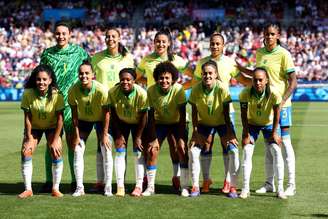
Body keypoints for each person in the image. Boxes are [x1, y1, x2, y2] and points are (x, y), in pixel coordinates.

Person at [237, 23, 297, 196]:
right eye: (266, 34)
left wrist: (283, 100)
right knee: (268, 144)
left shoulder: (284, 54)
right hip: (264, 104)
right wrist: (242, 69)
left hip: (280, 105)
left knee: (284, 143)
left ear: (277, 35)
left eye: (272, 34)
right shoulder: (260, 53)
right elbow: (259, 75)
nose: (269, 37)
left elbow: (293, 81)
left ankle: (291, 184)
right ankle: (269, 183)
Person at [193, 32, 251, 194]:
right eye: (212, 43)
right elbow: (196, 84)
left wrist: (259, 81)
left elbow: (243, 80)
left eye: (218, 43)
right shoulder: (201, 63)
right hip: (206, 111)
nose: (215, 46)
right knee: (206, 145)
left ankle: (227, 181)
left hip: (225, 111)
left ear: (223, 45)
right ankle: (206, 180)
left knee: (227, 146)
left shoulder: (229, 63)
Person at [136, 28, 193, 191]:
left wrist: (180, 88)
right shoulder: (146, 60)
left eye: (163, 41)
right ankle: (147, 181)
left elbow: (194, 77)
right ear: (154, 43)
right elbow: (136, 77)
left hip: (174, 111)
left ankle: (177, 178)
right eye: (157, 41)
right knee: (150, 147)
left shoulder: (178, 60)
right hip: (155, 109)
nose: (160, 44)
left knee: (177, 147)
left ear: (169, 43)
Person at [40, 20, 89, 192]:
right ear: (54, 35)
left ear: (70, 35)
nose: (61, 36)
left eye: (64, 33)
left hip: (72, 104)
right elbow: (42, 76)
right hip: (52, 104)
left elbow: (88, 73)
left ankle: (76, 181)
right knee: (51, 142)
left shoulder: (80, 52)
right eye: (58, 33)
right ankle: (50, 181)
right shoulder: (47, 54)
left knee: (73, 142)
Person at [91, 27, 134, 192]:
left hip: (122, 107)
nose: (110, 39)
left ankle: (120, 182)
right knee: (101, 144)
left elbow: (131, 80)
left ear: (119, 38)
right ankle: (100, 181)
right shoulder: (97, 58)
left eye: (113, 36)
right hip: (103, 107)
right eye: (107, 36)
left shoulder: (127, 57)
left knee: (121, 143)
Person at [188, 60, 239, 198]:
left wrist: (230, 133)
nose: (207, 76)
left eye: (211, 73)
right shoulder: (196, 89)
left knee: (233, 150)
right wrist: (195, 133)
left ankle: (231, 185)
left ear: (216, 74)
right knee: (193, 151)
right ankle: (196, 185)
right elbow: (194, 112)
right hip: (204, 124)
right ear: (201, 74)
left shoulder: (222, 88)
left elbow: (227, 113)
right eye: (205, 73)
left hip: (222, 123)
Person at [239, 67, 287, 199]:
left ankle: (280, 189)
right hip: (252, 125)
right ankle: (245, 188)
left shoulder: (275, 93)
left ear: (266, 81)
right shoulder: (245, 93)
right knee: (247, 150)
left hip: (269, 125)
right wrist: (246, 133)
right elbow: (243, 115)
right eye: (255, 80)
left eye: (261, 80)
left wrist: (275, 133)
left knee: (276, 151)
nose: (258, 83)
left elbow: (277, 114)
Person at [18, 64, 64, 198]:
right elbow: (27, 118)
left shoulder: (57, 95)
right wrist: (28, 138)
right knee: (26, 151)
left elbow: (60, 120)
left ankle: (56, 188)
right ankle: (28, 189)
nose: (41, 82)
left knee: (56, 152)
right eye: (38, 79)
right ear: (35, 80)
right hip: (35, 127)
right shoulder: (28, 93)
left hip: (52, 127)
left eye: (44, 79)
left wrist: (56, 140)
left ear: (50, 80)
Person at [68, 60, 112, 197]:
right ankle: (79, 187)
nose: (84, 76)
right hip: (84, 121)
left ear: (93, 74)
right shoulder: (73, 90)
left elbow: (107, 114)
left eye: (87, 73)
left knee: (106, 148)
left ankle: (108, 187)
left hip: (100, 120)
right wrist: (76, 135)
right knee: (77, 149)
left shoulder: (101, 90)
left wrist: (104, 135)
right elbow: (74, 114)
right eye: (81, 74)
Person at [145, 61, 189, 197]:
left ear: (173, 79)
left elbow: (182, 115)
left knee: (180, 149)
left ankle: (184, 186)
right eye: (161, 78)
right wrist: (153, 139)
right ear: (157, 78)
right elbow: (150, 116)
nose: (164, 80)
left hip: (177, 123)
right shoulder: (151, 90)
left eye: (167, 78)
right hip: (160, 123)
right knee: (152, 150)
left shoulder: (179, 90)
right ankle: (150, 187)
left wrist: (181, 138)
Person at [108, 68, 148, 197]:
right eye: (122, 80)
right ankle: (120, 186)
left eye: (128, 80)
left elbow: (144, 116)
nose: (125, 82)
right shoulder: (113, 92)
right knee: (120, 149)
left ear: (134, 81)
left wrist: (138, 137)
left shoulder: (141, 93)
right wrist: (118, 134)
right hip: (121, 122)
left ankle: (138, 186)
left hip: (138, 123)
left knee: (138, 151)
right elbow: (113, 113)